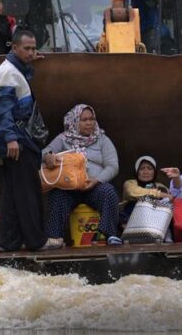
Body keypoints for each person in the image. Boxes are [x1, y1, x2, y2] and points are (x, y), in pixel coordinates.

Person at [0, 30, 63, 251]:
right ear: (14, 48)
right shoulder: (8, 73)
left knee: (12, 195)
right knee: (29, 192)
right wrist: (11, 139)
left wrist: (29, 62)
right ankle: (37, 241)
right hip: (18, 141)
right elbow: (1, 109)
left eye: (33, 48)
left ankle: (8, 243)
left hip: (18, 139)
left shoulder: (14, 70)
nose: (31, 52)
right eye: (26, 49)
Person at [42, 104, 122, 245]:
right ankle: (55, 238)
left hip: (94, 187)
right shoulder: (63, 139)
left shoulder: (102, 139)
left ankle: (109, 234)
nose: (89, 123)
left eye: (91, 119)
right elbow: (44, 153)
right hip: (70, 188)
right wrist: (49, 157)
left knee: (109, 192)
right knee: (57, 194)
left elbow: (113, 166)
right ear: (74, 121)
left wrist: (97, 180)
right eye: (84, 119)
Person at [119, 155, 171, 226]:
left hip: (155, 224)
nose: (145, 172)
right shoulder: (130, 183)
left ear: (154, 172)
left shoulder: (161, 186)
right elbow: (132, 192)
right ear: (137, 172)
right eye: (142, 168)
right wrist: (159, 194)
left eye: (149, 169)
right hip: (130, 223)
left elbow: (169, 199)